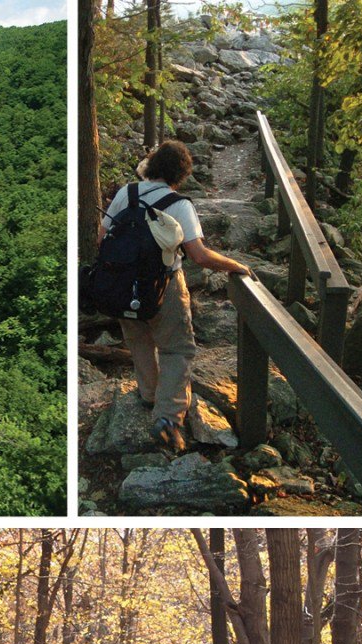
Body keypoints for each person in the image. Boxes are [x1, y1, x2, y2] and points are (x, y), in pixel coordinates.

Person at [99, 139, 251, 453]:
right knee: (177, 348)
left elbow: (103, 237)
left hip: (122, 284)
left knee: (138, 338)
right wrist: (235, 265)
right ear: (180, 174)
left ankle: (149, 393)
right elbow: (199, 255)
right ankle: (168, 417)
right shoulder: (179, 204)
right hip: (164, 285)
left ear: (152, 165)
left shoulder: (125, 193)